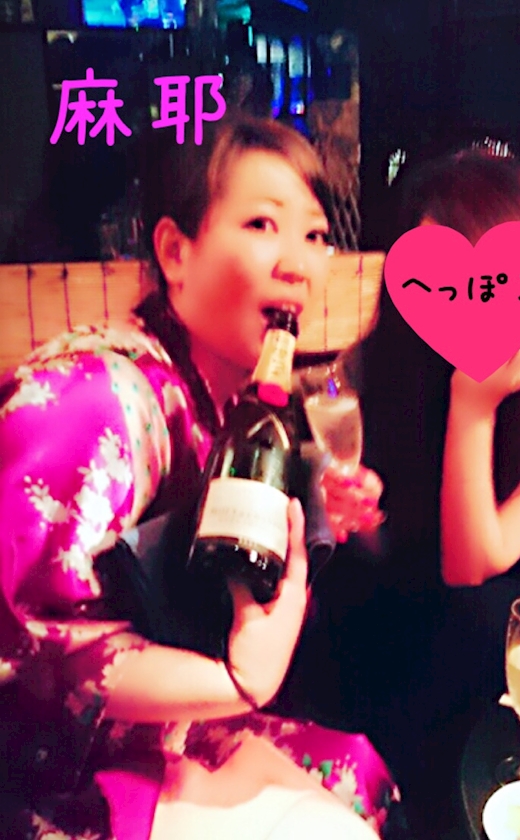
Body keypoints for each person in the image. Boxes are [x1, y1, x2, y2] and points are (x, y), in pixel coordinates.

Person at [0, 116, 399, 840]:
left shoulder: (227, 401)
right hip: (49, 773)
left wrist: (317, 518)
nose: (300, 263)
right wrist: (237, 681)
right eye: (262, 224)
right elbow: (35, 653)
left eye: (315, 234)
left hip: (159, 732)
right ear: (175, 253)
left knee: (359, 765)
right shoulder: (95, 399)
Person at [281, 149, 520, 835]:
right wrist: (358, 514)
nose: (467, 305)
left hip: (505, 581)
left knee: (489, 626)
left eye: (492, 283)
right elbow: (383, 545)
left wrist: (475, 402)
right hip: (399, 592)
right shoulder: (378, 365)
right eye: (440, 283)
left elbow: (474, 564)